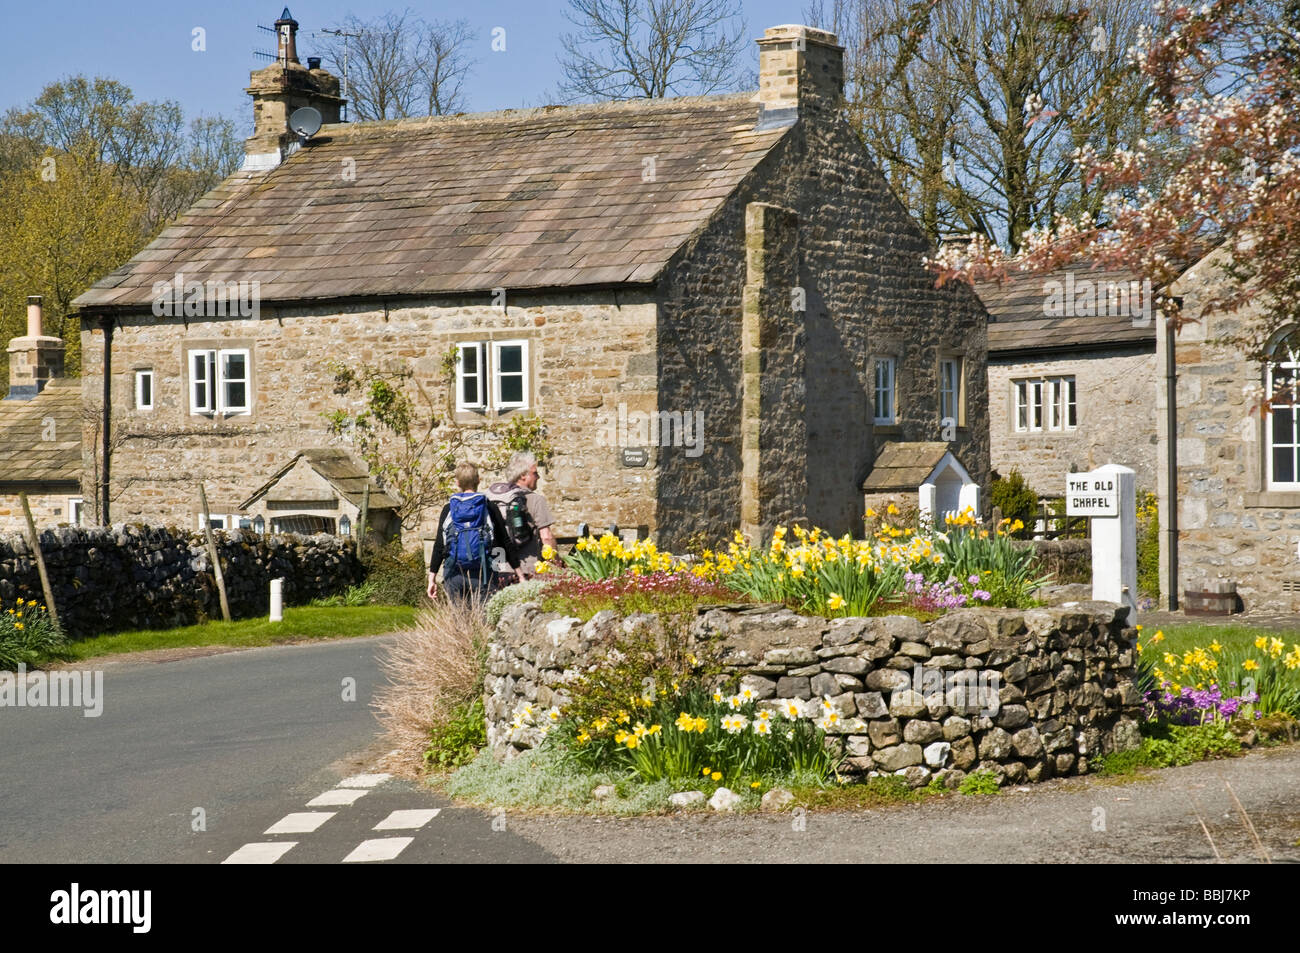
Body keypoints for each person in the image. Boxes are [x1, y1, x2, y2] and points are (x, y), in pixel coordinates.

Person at [427, 462, 523, 605]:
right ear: (479, 480)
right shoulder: (489, 507)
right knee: (485, 620)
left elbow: (439, 546)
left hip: (454, 573)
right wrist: (519, 574)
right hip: (484, 574)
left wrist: (432, 578)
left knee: (458, 620)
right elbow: (504, 542)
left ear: (457, 482)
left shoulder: (449, 509)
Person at [485, 450, 557, 578]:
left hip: (498, 569)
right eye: (535, 473)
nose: (538, 477)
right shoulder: (536, 500)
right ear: (523, 475)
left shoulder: (492, 499)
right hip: (526, 570)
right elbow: (546, 537)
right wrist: (554, 563)